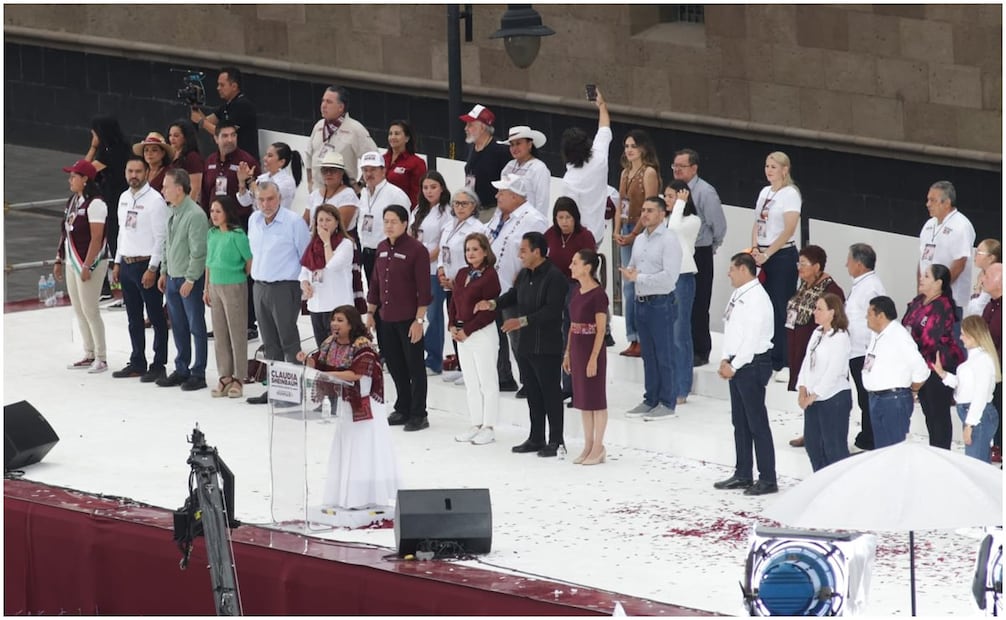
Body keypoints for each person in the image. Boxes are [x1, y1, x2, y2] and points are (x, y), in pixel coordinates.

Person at [298, 306, 399, 510]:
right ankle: (347, 496)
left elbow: (356, 374)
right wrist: (306, 360)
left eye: (340, 320)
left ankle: (366, 496)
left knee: (363, 449)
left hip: (365, 405)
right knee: (348, 448)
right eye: (333, 319)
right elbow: (319, 364)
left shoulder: (364, 347)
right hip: (346, 405)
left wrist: (329, 376)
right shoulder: (329, 344)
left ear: (351, 324)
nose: (334, 323)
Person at [478, 232, 568, 456]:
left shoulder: (555, 277)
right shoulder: (525, 274)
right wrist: (492, 304)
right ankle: (536, 437)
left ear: (537, 252)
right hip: (526, 344)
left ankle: (556, 440)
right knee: (533, 393)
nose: (520, 255)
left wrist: (521, 321)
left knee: (550, 393)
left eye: (523, 251)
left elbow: (552, 311)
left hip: (547, 345)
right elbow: (514, 295)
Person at [366, 205, 433, 432]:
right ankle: (402, 407)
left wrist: (419, 321)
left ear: (405, 224)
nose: (389, 225)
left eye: (394, 221)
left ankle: (418, 413)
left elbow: (424, 290)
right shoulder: (382, 247)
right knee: (395, 365)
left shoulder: (417, 250)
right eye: (386, 221)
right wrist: (370, 313)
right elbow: (375, 283)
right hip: (386, 318)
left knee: (414, 366)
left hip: (409, 318)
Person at [715, 252, 776, 496]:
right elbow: (731, 328)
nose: (728, 273)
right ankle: (743, 473)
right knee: (739, 421)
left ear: (743, 269)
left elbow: (751, 339)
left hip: (751, 365)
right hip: (738, 363)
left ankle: (768, 477)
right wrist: (724, 357)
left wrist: (735, 363)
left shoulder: (757, 299)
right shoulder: (738, 294)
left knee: (756, 422)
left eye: (731, 268)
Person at [246, 181, 311, 405]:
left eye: (270, 199)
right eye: (261, 199)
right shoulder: (253, 220)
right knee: (269, 341)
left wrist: (305, 283)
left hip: (284, 286)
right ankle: (275, 388)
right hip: (260, 285)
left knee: (288, 339)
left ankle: (293, 392)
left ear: (279, 198)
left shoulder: (293, 222)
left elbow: (306, 255)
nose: (266, 204)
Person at [485, 174, 549, 394]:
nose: (496, 196)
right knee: (497, 335)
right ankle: (503, 376)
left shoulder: (533, 219)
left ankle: (531, 381)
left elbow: (538, 254)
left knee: (519, 337)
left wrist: (524, 275)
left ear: (515, 196)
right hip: (494, 286)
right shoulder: (499, 215)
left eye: (501, 193)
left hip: (516, 288)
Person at [620, 196, 681, 421]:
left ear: (662, 214)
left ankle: (667, 402)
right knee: (648, 355)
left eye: (650, 210)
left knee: (664, 354)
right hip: (641, 302)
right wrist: (629, 272)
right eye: (643, 210)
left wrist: (640, 277)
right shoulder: (639, 240)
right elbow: (634, 266)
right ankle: (651, 398)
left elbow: (670, 278)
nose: (644, 214)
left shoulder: (669, 240)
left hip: (661, 303)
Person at [109, 156, 170, 383]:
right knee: (133, 317)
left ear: (146, 173)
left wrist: (153, 268)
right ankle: (137, 361)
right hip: (127, 263)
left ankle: (159, 363)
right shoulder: (124, 198)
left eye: (137, 171)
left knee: (155, 317)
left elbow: (161, 238)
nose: (133, 175)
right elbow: (122, 232)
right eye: (129, 171)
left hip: (146, 264)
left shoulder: (155, 200)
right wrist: (117, 262)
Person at [783, 245, 845, 447]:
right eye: (798, 262)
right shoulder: (805, 284)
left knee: (818, 389)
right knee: (805, 386)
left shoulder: (830, 290)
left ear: (817, 266)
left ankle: (820, 435)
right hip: (800, 346)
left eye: (804, 263)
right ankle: (810, 432)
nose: (799, 267)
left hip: (820, 349)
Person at [670, 148, 726, 367]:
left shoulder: (705, 192)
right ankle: (682, 346)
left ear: (694, 168)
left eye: (681, 166)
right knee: (680, 302)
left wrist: (713, 244)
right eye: (674, 166)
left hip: (700, 250)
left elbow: (718, 224)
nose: (677, 170)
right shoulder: (674, 189)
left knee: (699, 300)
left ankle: (701, 350)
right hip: (677, 251)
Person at [55, 159, 109, 373]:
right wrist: (59, 259)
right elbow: (65, 233)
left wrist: (87, 265)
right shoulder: (73, 201)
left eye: (74, 176)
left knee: (90, 309)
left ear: (85, 179)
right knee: (78, 308)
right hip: (72, 261)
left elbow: (97, 238)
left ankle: (101, 356)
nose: (70, 179)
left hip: (91, 262)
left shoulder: (96, 203)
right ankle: (89, 352)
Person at [902, 263, 965, 449]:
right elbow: (905, 322)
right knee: (929, 414)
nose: (921, 278)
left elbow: (930, 338)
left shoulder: (943, 306)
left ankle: (942, 454)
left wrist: (910, 347)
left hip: (937, 367)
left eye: (927, 276)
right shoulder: (918, 300)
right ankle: (935, 451)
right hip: (919, 366)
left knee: (938, 415)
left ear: (938, 283)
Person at [156, 169, 209, 391]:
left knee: (196, 325)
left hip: (189, 280)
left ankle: (199, 372)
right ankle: (182, 368)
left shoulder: (195, 215)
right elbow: (167, 244)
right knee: (178, 325)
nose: (163, 190)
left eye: (166, 186)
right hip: (172, 278)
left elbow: (199, 252)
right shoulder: (171, 211)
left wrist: (190, 279)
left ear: (179, 189)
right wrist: (164, 271)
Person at [751, 151, 801, 380]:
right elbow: (757, 223)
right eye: (766, 165)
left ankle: (783, 358)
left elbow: (788, 228)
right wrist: (754, 248)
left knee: (781, 306)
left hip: (781, 255)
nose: (769, 170)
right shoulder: (764, 192)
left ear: (784, 169)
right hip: (761, 253)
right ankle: (767, 353)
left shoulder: (790, 194)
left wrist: (769, 252)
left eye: (773, 166)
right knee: (764, 306)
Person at [449, 233, 502, 446]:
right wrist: (452, 325)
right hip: (462, 334)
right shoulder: (462, 274)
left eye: (475, 249)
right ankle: (476, 422)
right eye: (467, 250)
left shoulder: (490, 276)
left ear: (485, 251)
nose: (470, 253)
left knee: (487, 381)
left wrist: (468, 329)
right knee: (471, 381)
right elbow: (454, 301)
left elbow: (489, 310)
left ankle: (489, 426)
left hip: (481, 333)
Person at [614, 129, 661, 357]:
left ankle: (642, 337)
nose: (629, 150)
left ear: (642, 148)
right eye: (626, 146)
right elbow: (620, 204)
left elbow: (649, 205)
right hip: (625, 228)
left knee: (638, 284)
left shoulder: (648, 173)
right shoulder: (624, 174)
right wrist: (616, 230)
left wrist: (634, 233)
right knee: (628, 287)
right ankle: (632, 336)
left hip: (640, 231)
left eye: (633, 146)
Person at [544, 197, 596, 401]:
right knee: (559, 336)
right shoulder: (549, 235)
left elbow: (590, 264)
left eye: (568, 217)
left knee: (575, 337)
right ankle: (566, 385)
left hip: (577, 289)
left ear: (575, 218)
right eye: (560, 217)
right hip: (555, 289)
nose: (564, 222)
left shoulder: (585, 236)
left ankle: (579, 388)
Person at [861, 296, 930, 448]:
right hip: (876, 398)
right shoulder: (876, 334)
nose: (866, 317)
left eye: (869, 313)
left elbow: (921, 368)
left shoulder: (898, 336)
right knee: (882, 450)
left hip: (893, 400)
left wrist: (913, 390)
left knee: (894, 450)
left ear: (881, 316)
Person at [796, 293, 852, 472]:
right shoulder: (817, 333)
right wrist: (802, 389)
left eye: (819, 309)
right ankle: (819, 481)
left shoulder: (841, 337)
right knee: (813, 445)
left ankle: (840, 488)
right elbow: (807, 361)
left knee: (833, 447)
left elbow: (833, 372)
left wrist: (814, 395)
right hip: (813, 398)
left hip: (833, 398)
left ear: (832, 313)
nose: (815, 312)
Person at [934, 316, 1001, 463]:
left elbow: (980, 395)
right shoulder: (974, 358)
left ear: (973, 335)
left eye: (963, 334)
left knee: (976, 464)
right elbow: (964, 386)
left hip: (977, 416)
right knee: (978, 463)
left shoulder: (983, 360)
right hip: (973, 414)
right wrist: (943, 374)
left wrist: (970, 424)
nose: (960, 337)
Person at [437, 189, 487, 384]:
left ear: (473, 206)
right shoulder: (449, 225)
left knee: (468, 323)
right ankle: (461, 363)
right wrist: (441, 269)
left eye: (464, 203)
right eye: (456, 203)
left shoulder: (477, 228)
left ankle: (472, 369)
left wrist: (458, 281)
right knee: (455, 322)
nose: (459, 207)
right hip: (449, 284)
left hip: (466, 284)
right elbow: (443, 251)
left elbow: (476, 258)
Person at [203, 196, 251, 398]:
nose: (214, 215)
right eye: (212, 211)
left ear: (227, 213)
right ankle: (225, 375)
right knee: (220, 333)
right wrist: (206, 288)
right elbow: (209, 262)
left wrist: (239, 277)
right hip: (215, 284)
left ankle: (239, 377)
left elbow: (249, 261)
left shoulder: (237, 235)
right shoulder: (212, 234)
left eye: (218, 211)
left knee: (236, 332)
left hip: (233, 284)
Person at [564, 249, 609, 465]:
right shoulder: (576, 291)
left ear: (587, 267)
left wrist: (593, 358)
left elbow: (600, 329)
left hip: (592, 347)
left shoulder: (598, 295)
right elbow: (573, 325)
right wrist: (567, 353)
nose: (571, 266)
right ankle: (588, 444)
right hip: (578, 347)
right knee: (583, 399)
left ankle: (598, 446)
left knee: (596, 399)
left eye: (575, 263)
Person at [844, 243, 887, 452]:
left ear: (859, 264)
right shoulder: (861, 284)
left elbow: (877, 319)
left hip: (864, 350)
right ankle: (866, 436)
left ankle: (871, 438)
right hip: (855, 349)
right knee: (863, 396)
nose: (846, 264)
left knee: (866, 395)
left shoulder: (870, 287)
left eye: (849, 260)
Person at [85, 116, 130, 300]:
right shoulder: (124, 148)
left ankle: (122, 292)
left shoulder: (110, 152)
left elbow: (83, 171)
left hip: (113, 204)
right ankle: (111, 288)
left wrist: (93, 147)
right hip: (118, 203)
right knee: (117, 245)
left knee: (114, 244)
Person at [918, 180, 976, 326]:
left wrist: (939, 290)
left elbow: (960, 262)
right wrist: (922, 290)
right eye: (928, 200)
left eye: (932, 200)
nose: (928, 204)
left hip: (949, 300)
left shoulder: (961, 225)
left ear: (947, 203)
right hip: (928, 296)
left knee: (948, 343)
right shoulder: (929, 225)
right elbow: (923, 259)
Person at [559, 87, 611, 247]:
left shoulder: (570, 181)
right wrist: (601, 105)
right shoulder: (599, 157)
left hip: (579, 239)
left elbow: (569, 216)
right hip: (598, 234)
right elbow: (604, 128)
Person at [412, 171, 451, 376]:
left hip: (434, 270)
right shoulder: (419, 209)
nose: (429, 191)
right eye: (426, 187)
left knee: (434, 314)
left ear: (442, 188)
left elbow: (442, 244)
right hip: (417, 270)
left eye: (433, 187)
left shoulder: (446, 212)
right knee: (421, 313)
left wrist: (422, 261)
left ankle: (434, 359)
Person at [664, 182, 701, 405]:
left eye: (671, 196)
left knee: (680, 334)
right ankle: (669, 383)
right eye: (666, 196)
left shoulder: (691, 221)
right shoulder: (668, 218)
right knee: (668, 334)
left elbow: (673, 230)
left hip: (683, 277)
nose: (667, 200)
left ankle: (682, 387)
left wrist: (680, 203)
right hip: (667, 278)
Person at [300, 204, 356, 347]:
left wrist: (326, 242)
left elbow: (332, 265)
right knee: (323, 349)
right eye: (320, 220)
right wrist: (305, 283)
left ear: (337, 222)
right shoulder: (312, 245)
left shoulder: (345, 244)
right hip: (317, 305)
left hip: (337, 305)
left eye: (328, 220)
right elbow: (304, 270)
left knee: (339, 350)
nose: (324, 224)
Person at [305, 86, 378, 192]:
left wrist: (360, 185)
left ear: (341, 107)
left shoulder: (355, 129)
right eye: (323, 101)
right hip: (318, 193)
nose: (323, 105)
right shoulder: (319, 126)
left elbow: (373, 157)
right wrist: (309, 182)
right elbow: (309, 155)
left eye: (329, 102)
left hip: (343, 193)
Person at [356, 151, 411, 283]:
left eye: (373, 169)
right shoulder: (363, 194)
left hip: (389, 253)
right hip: (367, 252)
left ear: (383, 170)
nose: (369, 174)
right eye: (365, 170)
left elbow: (407, 227)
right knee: (374, 296)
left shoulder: (396, 195)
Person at [190, 66, 259, 160]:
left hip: (244, 160)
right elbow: (207, 121)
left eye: (222, 85)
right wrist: (194, 106)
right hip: (228, 157)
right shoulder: (227, 105)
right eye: (218, 85)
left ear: (234, 86)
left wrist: (201, 122)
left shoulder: (243, 106)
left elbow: (224, 133)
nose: (218, 88)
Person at [201, 121, 259, 224]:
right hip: (214, 221)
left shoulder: (247, 161)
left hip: (239, 222)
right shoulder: (210, 161)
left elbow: (257, 196)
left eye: (233, 135)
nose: (230, 140)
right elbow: (205, 193)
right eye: (225, 136)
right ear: (216, 139)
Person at [460, 104, 511, 220]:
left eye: (470, 125)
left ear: (482, 128)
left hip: (491, 210)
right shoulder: (471, 146)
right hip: (472, 209)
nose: (466, 128)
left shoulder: (500, 150)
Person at [499, 126, 551, 218]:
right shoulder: (508, 166)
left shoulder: (538, 168)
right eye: (512, 144)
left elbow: (542, 201)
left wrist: (537, 223)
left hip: (528, 220)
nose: (514, 148)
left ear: (529, 144)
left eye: (518, 143)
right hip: (508, 220)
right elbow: (501, 195)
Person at [237, 141, 303, 215]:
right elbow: (245, 202)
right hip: (260, 222)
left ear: (281, 162)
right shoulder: (263, 178)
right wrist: (242, 182)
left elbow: (262, 197)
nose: (265, 158)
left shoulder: (287, 182)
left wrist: (250, 179)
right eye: (266, 155)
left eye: (270, 156)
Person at [980, 263, 1003, 460]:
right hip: (990, 368)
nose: (982, 279)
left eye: (986, 275)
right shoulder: (991, 305)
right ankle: (998, 444)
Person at [305, 152, 359, 235]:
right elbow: (305, 221)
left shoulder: (348, 195)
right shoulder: (314, 194)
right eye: (325, 170)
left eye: (333, 170)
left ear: (342, 173)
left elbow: (341, 227)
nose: (328, 174)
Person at [384, 120, 427, 206]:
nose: (392, 137)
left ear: (407, 138)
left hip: (403, 211)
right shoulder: (382, 159)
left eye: (397, 134)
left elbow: (417, 194)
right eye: (390, 134)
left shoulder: (417, 163)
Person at [166, 119, 205, 203]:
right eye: (170, 135)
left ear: (185, 137)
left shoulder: (192, 157)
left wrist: (187, 209)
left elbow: (195, 188)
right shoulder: (171, 155)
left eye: (176, 136)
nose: (172, 139)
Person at [965, 238, 1001, 317]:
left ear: (991, 258)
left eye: (978, 252)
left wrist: (977, 289)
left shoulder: (993, 279)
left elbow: (976, 311)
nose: (975, 255)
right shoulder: (982, 275)